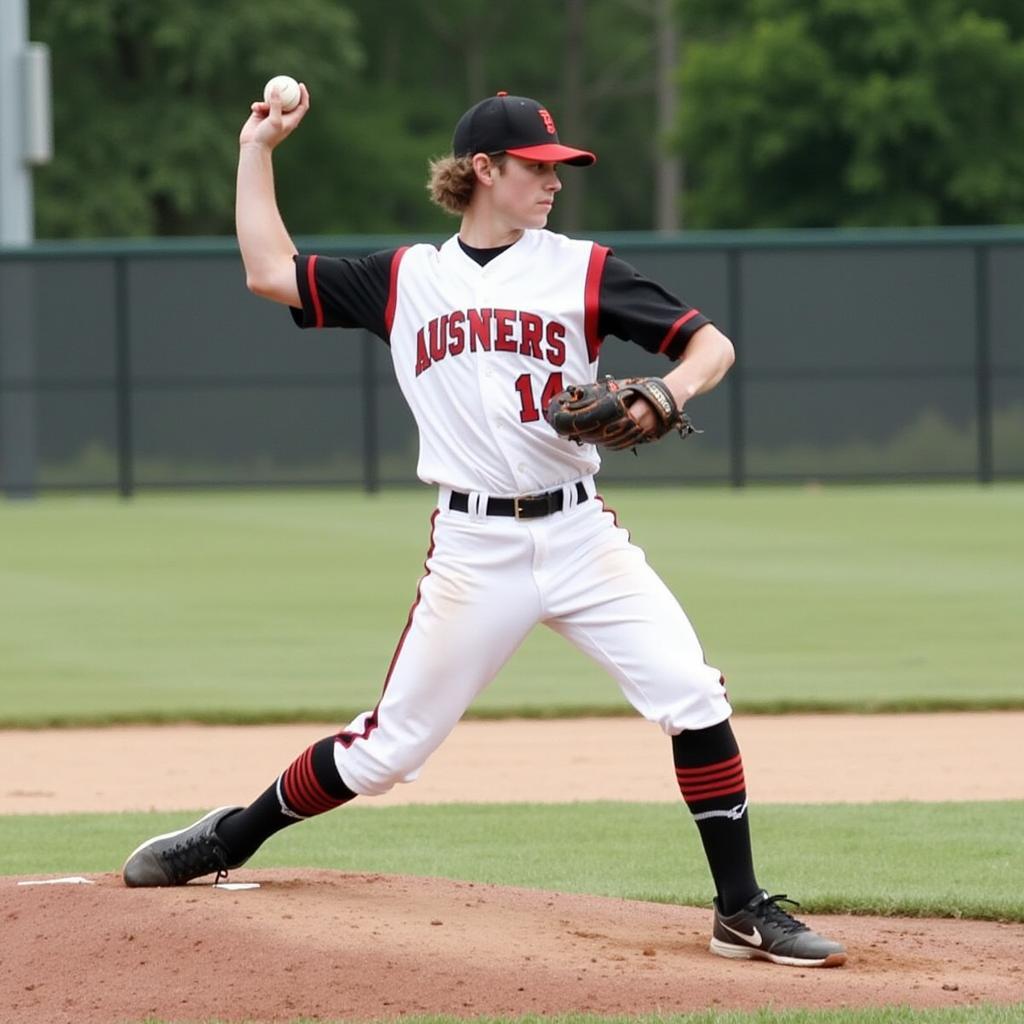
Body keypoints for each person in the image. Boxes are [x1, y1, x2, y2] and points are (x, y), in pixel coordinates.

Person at [122, 87, 846, 969]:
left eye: (559, 169)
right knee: (388, 750)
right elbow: (270, 271)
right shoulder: (407, 279)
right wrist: (257, 148)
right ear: (483, 170)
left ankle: (740, 909)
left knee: (692, 695)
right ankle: (230, 838)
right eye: (537, 168)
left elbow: (712, 345)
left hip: (582, 537)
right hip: (475, 549)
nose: (554, 182)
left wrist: (669, 390)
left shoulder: (582, 268)